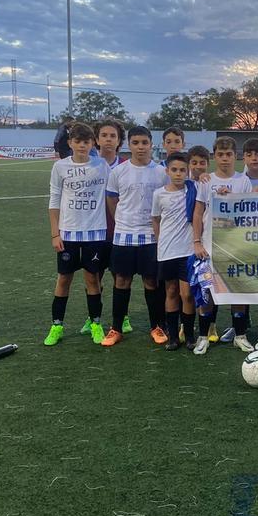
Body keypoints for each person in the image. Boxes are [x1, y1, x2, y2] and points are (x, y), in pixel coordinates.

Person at [43, 122, 112, 347]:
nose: (82, 145)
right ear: (70, 142)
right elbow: (54, 200)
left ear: (93, 143)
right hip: (68, 234)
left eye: (87, 141)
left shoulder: (102, 165)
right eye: (78, 141)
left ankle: (95, 324)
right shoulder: (60, 167)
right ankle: (57, 326)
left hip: (95, 233)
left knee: (93, 279)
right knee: (64, 279)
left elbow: (114, 192)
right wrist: (55, 233)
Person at [102, 126, 169, 347]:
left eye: (144, 143)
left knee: (151, 281)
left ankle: (156, 326)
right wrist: (122, 221)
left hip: (150, 235)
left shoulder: (161, 172)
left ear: (151, 144)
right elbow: (112, 199)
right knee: (122, 280)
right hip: (124, 235)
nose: (140, 147)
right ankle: (116, 328)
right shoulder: (118, 172)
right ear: (129, 145)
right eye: (136, 143)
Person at [191, 137, 255, 354]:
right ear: (214, 156)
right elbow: (198, 213)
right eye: (220, 154)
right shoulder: (206, 181)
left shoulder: (243, 181)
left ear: (235, 156)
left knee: (236, 291)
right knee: (207, 292)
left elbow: (249, 213)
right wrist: (197, 241)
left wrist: (233, 199)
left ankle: (240, 335)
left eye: (229, 154)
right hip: (209, 246)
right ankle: (203, 336)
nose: (225, 158)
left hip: (234, 246)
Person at [80, 119, 129, 337]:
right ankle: (93, 318)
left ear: (119, 141)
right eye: (104, 135)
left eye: (113, 136)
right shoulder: (86, 165)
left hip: (119, 230)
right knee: (93, 276)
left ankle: (123, 316)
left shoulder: (127, 165)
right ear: (96, 139)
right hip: (93, 231)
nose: (108, 140)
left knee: (120, 276)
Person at [151, 152, 200, 351]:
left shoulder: (193, 189)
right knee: (170, 291)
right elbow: (155, 219)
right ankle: (172, 337)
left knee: (187, 294)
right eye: (174, 170)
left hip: (187, 251)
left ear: (187, 171)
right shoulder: (159, 194)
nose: (178, 174)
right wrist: (160, 240)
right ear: (167, 171)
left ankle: (189, 335)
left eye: (182, 170)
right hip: (167, 251)